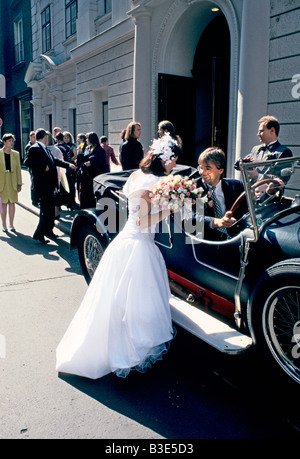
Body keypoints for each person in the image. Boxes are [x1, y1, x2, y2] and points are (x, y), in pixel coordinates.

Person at [56, 134, 181, 380]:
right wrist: (168, 208)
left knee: (120, 300)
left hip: (128, 240)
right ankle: (132, 349)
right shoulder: (154, 181)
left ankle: (125, 340)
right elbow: (141, 219)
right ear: (166, 159)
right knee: (136, 302)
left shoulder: (136, 175)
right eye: (174, 160)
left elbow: (129, 204)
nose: (174, 165)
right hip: (139, 244)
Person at [24, 128, 76, 243]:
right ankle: (39, 234)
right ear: (45, 138)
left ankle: (48, 231)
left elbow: (55, 161)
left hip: (50, 185)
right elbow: (27, 162)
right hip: (43, 186)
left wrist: (68, 165)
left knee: (50, 211)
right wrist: (42, 166)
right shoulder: (35, 148)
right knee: (45, 211)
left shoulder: (44, 148)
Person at [196, 147, 245, 241]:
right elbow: (190, 218)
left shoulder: (236, 186)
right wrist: (215, 222)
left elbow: (247, 214)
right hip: (205, 244)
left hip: (234, 243)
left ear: (220, 170)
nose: (202, 172)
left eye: (208, 168)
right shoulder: (193, 188)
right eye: (200, 167)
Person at [246, 115, 293, 184]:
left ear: (272, 130)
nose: (258, 134)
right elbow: (242, 163)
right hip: (251, 192)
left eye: (261, 131)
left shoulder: (284, 152)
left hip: (270, 193)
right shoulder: (255, 149)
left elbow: (282, 180)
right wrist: (242, 162)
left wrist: (258, 176)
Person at [77, 132, 106, 209]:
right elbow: (83, 160)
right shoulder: (87, 148)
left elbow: (101, 163)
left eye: (87, 138)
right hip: (86, 175)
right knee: (84, 194)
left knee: (92, 194)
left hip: (95, 175)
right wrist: (80, 153)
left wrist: (92, 163)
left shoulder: (100, 150)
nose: (86, 140)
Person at [0, 133, 22, 232]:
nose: (12, 142)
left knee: (12, 203)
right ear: (4, 142)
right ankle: (4, 225)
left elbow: (18, 170)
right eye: (9, 141)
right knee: (3, 204)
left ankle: (11, 224)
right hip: (2, 181)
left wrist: (19, 183)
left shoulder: (16, 154)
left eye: (12, 141)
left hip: (12, 180)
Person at [63, 131, 78, 209]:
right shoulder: (62, 146)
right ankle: (66, 200)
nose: (66, 139)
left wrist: (68, 160)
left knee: (71, 185)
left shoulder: (73, 146)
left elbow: (75, 156)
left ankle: (73, 200)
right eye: (64, 138)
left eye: (67, 138)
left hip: (71, 166)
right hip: (64, 167)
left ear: (70, 138)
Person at [24, 131, 39, 207]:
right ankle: (34, 200)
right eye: (34, 137)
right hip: (32, 167)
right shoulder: (28, 146)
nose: (35, 139)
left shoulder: (36, 145)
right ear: (30, 137)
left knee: (36, 183)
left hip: (36, 167)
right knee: (33, 183)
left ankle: (37, 198)